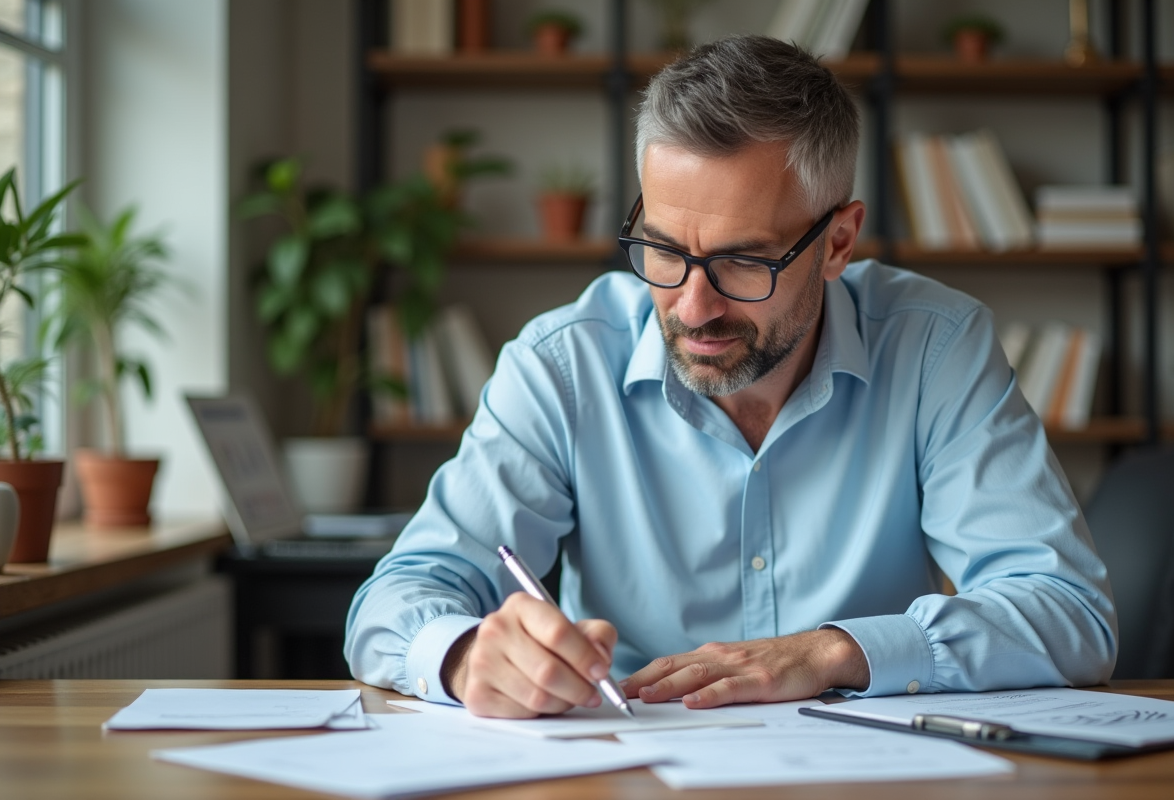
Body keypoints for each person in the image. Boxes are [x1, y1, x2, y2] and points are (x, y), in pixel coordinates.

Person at [345, 35, 1116, 719]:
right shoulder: (562, 365)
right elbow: (393, 602)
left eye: (744, 260)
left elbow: (1070, 613)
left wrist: (830, 652)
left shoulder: (935, 349)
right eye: (664, 249)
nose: (690, 304)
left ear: (838, 241)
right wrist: (464, 656)